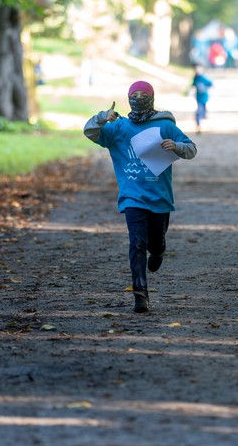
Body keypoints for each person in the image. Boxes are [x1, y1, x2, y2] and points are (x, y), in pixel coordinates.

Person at [84, 81, 197, 313]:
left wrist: (175, 145)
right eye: (133, 95)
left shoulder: (164, 125)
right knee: (136, 243)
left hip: (159, 197)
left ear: (152, 97)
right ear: (127, 98)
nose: (137, 98)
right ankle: (140, 294)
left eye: (142, 94)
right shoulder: (119, 127)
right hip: (132, 197)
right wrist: (102, 117)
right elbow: (90, 132)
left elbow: (191, 149)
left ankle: (159, 251)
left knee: (155, 243)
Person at [191, 65, 213, 133]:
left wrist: (205, 88)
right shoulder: (195, 78)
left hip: (204, 97)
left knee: (202, 109)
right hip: (198, 97)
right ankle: (198, 124)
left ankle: (203, 116)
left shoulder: (204, 78)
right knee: (199, 111)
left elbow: (211, 83)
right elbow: (193, 85)